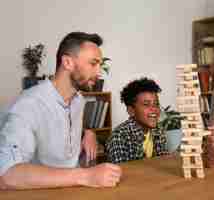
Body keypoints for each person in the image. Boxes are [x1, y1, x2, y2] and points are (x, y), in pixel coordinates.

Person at [0, 32, 122, 190]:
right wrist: (86, 176)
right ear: (67, 62)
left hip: (75, 191)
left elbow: (63, 122)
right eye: (93, 63)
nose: (98, 72)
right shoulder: (28, 104)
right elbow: (6, 175)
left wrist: (88, 133)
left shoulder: (78, 100)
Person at [106, 77, 168, 163]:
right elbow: (123, 173)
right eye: (146, 104)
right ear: (131, 111)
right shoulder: (119, 137)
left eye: (156, 104)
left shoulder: (158, 131)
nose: (154, 109)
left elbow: (162, 163)